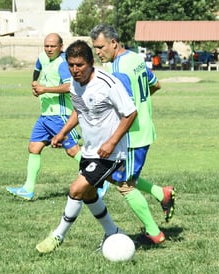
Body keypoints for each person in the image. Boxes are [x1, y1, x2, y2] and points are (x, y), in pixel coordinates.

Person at [36, 40, 137, 254]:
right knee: (89, 194)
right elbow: (79, 110)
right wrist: (62, 133)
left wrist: (111, 142)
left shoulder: (107, 83)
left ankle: (57, 235)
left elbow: (130, 113)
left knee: (76, 189)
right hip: (90, 150)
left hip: (111, 152)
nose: (75, 70)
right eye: (71, 65)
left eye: (80, 65)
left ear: (91, 63)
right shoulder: (75, 84)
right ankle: (113, 232)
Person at [90, 24, 175, 245]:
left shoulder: (118, 70)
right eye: (95, 48)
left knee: (125, 184)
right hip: (143, 129)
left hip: (132, 137)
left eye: (100, 47)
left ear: (113, 43)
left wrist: (112, 138)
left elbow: (125, 109)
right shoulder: (136, 58)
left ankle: (154, 232)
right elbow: (154, 84)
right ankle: (161, 193)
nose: (98, 52)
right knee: (113, 175)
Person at [6, 33, 81, 200]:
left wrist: (45, 89)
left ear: (61, 47)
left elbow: (70, 86)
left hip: (60, 114)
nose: (49, 49)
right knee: (34, 147)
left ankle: (100, 179)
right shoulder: (42, 57)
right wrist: (34, 83)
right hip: (45, 115)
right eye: (46, 45)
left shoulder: (63, 63)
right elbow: (37, 68)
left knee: (72, 150)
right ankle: (28, 189)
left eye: (53, 46)